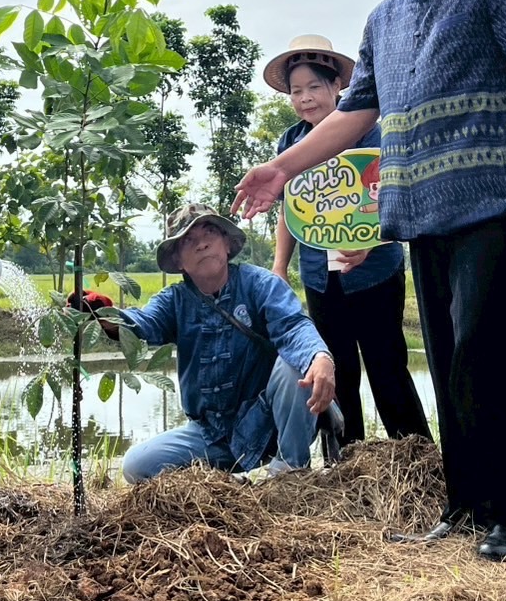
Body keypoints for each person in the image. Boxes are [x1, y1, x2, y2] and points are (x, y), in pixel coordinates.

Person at [235, 0, 506, 562]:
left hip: (496, 204)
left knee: (488, 353)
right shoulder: (384, 18)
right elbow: (356, 112)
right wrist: (282, 168)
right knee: (448, 362)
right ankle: (468, 503)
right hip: (425, 214)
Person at [265, 35, 432, 447]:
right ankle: (343, 458)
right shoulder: (291, 143)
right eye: (296, 91)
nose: (305, 98)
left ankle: (415, 455)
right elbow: (290, 208)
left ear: (337, 86)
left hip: (375, 270)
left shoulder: (372, 134)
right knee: (332, 367)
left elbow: (395, 195)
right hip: (319, 277)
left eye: (314, 87)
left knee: (386, 362)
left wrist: (371, 241)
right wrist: (279, 266)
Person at [113, 204, 339, 482]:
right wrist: (103, 315)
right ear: (178, 260)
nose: (202, 244)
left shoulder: (261, 284)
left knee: (296, 363)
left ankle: (290, 473)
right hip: (212, 433)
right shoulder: (174, 300)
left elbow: (293, 326)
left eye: (210, 232)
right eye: (188, 240)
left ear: (227, 243)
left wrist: (320, 357)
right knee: (136, 466)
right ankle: (228, 486)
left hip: (269, 423)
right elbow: (142, 323)